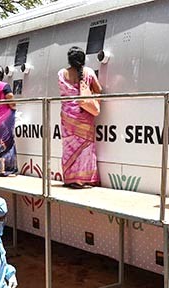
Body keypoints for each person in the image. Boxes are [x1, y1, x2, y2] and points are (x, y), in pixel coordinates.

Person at [58, 46, 103, 188]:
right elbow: (99, 90)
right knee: (86, 147)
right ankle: (84, 179)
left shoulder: (61, 73)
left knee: (69, 146)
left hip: (67, 115)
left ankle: (71, 179)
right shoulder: (88, 72)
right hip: (84, 115)